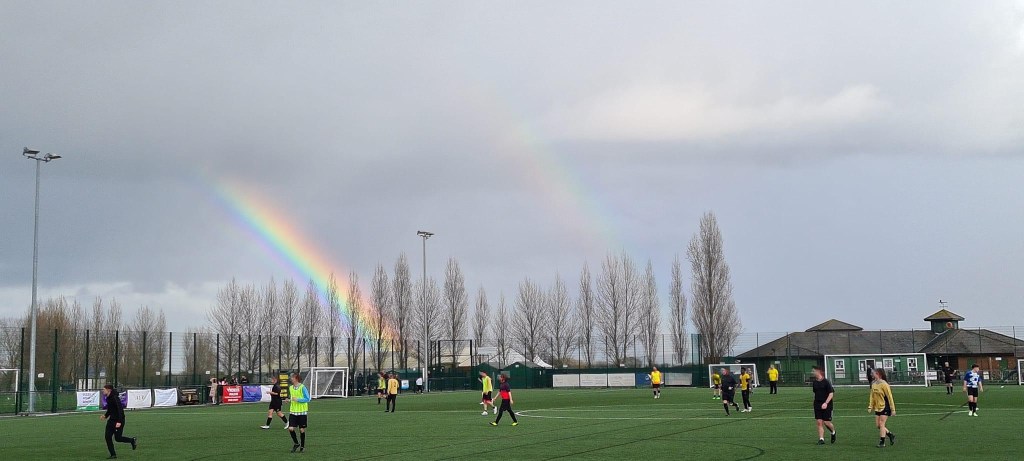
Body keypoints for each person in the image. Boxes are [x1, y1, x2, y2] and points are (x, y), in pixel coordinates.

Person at [100, 384, 136, 459]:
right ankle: (113, 455)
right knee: (107, 437)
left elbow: (120, 410)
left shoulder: (115, 398)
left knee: (118, 438)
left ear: (109, 390)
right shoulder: (108, 398)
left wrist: (119, 422)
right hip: (111, 421)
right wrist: (105, 416)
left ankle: (132, 440)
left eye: (104, 389)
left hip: (118, 421)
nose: (103, 390)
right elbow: (110, 409)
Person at [867, 368, 896, 448]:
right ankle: (890, 435)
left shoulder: (884, 384)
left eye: (874, 373)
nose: (872, 374)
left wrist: (893, 409)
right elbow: (872, 396)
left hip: (885, 407)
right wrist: (870, 406)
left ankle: (882, 442)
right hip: (877, 407)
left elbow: (890, 397)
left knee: (882, 424)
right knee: (878, 425)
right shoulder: (873, 384)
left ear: (878, 374)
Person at [811, 366, 837, 445]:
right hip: (817, 404)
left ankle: (833, 432)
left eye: (813, 371)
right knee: (819, 422)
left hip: (827, 404)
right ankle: (821, 439)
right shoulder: (814, 382)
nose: (812, 372)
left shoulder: (826, 382)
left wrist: (826, 403)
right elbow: (815, 393)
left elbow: (831, 393)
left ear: (818, 371)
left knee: (826, 422)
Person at [287, 373, 311, 453]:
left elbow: (308, 399)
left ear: (296, 378)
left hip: (302, 412)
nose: (291, 379)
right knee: (290, 428)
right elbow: (292, 397)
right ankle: (296, 443)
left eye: (292, 378)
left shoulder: (302, 387)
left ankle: (302, 446)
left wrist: (298, 399)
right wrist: (289, 400)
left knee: (301, 430)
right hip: (293, 411)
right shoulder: (290, 388)